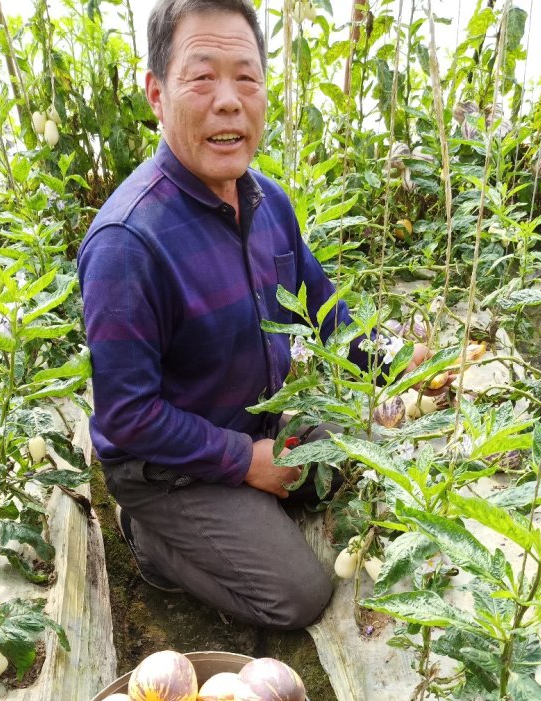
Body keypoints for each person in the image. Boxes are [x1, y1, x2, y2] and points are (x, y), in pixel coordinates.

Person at [77, 0, 427, 630]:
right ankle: (154, 541)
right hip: (165, 466)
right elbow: (128, 416)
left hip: (253, 422)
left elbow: (325, 309)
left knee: (377, 443)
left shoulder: (269, 202)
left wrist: (397, 363)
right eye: (202, 77)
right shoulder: (126, 244)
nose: (229, 100)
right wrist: (246, 462)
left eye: (246, 77)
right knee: (299, 595)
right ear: (157, 94)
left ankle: (250, 497)